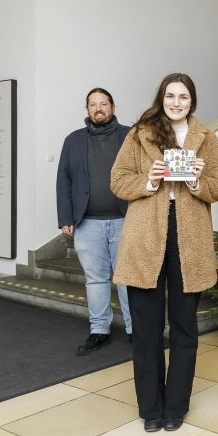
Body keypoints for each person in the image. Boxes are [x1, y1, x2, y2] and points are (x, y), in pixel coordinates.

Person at [110, 73, 218, 432]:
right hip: (145, 237)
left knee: (184, 327)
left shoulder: (206, 137)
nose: (177, 103)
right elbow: (118, 181)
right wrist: (149, 180)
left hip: (189, 239)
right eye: (171, 96)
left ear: (192, 102)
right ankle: (151, 408)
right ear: (161, 98)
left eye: (184, 97)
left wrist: (195, 180)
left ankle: (175, 406)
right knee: (146, 329)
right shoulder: (139, 134)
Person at [57, 87, 133, 355]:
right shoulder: (73, 140)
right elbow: (64, 180)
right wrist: (65, 217)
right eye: (93, 104)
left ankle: (136, 329)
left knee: (128, 278)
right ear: (87, 109)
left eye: (103, 103)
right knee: (96, 279)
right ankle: (99, 330)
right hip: (87, 224)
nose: (98, 108)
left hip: (126, 220)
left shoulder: (130, 136)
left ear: (113, 107)